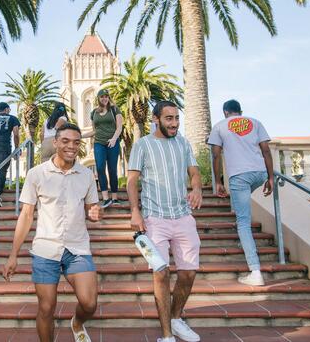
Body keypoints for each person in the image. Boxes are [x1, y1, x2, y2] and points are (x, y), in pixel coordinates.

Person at [2, 123, 102, 342]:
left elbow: (91, 207)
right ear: (55, 142)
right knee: (46, 308)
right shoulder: (37, 174)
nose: (71, 146)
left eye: (76, 142)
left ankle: (77, 322)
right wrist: (13, 255)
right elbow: (26, 215)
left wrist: (94, 212)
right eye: (65, 141)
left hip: (77, 247)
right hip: (45, 249)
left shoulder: (86, 175)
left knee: (89, 303)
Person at [127, 101, 202, 342]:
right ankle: (167, 335)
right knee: (160, 272)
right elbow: (131, 181)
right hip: (154, 218)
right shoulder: (142, 145)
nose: (174, 123)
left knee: (188, 273)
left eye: (177, 118)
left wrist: (197, 188)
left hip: (183, 217)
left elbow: (194, 172)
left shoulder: (184, 143)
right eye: (169, 118)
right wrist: (135, 212)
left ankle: (177, 318)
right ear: (156, 118)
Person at [207, 99, 274, 286]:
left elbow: (215, 154)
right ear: (240, 111)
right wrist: (270, 177)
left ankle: (255, 271)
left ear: (225, 113)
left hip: (239, 176)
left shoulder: (220, 126)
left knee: (243, 223)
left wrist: (218, 181)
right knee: (240, 206)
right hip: (259, 173)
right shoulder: (255, 122)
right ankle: (245, 242)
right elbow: (266, 150)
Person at [82, 89, 123, 209]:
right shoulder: (94, 112)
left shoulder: (115, 109)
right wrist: (79, 135)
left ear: (108, 98)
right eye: (102, 97)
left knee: (112, 169)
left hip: (112, 143)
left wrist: (114, 139)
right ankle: (106, 198)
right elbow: (94, 130)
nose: (104, 99)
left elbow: (119, 127)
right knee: (100, 168)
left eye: (106, 96)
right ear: (98, 99)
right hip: (99, 143)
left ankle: (114, 197)